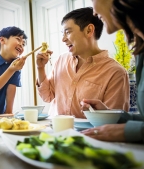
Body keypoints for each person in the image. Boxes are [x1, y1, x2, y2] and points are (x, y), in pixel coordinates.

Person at [36, 7, 130, 118]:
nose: (63, 39)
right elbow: (47, 96)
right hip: (55, 132)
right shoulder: (61, 60)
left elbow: (114, 123)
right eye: (63, 33)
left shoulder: (116, 73)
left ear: (89, 30)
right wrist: (40, 68)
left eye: (68, 32)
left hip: (88, 135)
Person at [81, 0, 144, 143]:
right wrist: (109, 115)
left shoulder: (116, 70)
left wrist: (127, 131)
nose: (95, 13)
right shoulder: (140, 52)